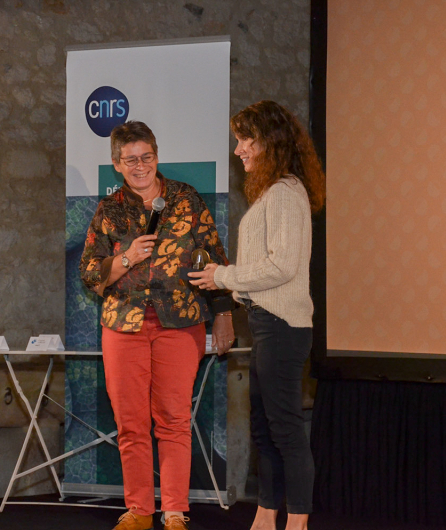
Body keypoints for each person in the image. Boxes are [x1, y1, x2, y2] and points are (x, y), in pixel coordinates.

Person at [80, 121, 236, 530]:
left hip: (180, 322)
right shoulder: (108, 209)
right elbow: (90, 274)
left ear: (156, 156)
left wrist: (223, 314)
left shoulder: (185, 198)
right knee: (131, 422)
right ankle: (139, 510)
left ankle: (174, 512)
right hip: (123, 325)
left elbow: (213, 259)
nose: (140, 166)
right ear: (117, 164)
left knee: (173, 419)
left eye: (146, 157)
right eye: (130, 160)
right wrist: (127, 258)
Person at [189, 101, 325, 530]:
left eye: (245, 140)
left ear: (269, 142)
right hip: (269, 324)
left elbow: (280, 266)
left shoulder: (285, 192)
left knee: (284, 431)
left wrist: (222, 276)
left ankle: (297, 524)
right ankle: (266, 517)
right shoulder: (274, 192)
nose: (238, 149)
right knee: (266, 432)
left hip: (283, 327)